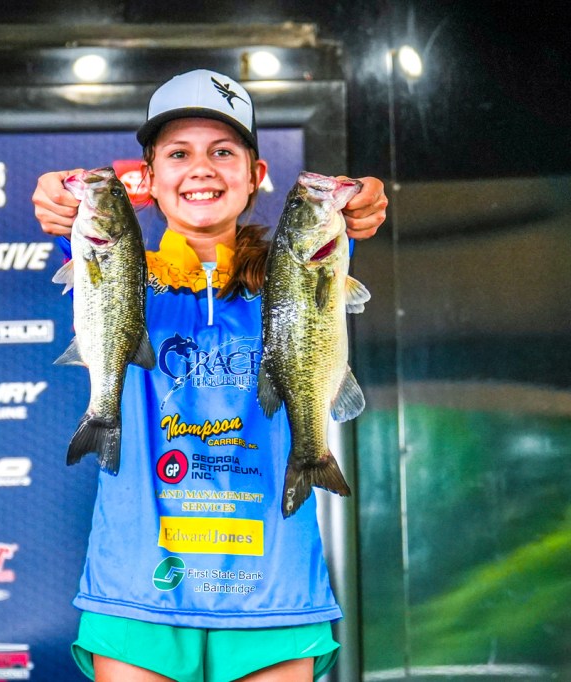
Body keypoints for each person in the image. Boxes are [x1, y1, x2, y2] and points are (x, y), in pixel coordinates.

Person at [32, 68, 387, 682]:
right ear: (148, 179)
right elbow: (76, 228)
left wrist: (364, 197)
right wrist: (56, 194)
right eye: (179, 153)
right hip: (138, 585)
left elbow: (345, 221)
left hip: (271, 587)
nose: (201, 168)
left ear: (254, 175)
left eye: (223, 152)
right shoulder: (121, 271)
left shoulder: (295, 272)